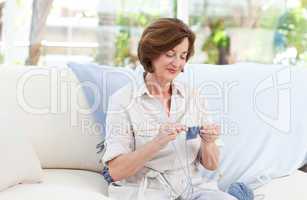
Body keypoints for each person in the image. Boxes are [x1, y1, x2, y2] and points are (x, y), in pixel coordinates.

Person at [102, 18, 236, 200]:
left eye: (183, 55)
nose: (177, 63)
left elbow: (211, 165)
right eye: (170, 53)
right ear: (152, 52)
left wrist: (208, 142)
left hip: (191, 188)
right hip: (148, 191)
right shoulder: (123, 100)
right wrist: (157, 142)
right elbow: (116, 171)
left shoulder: (193, 97)